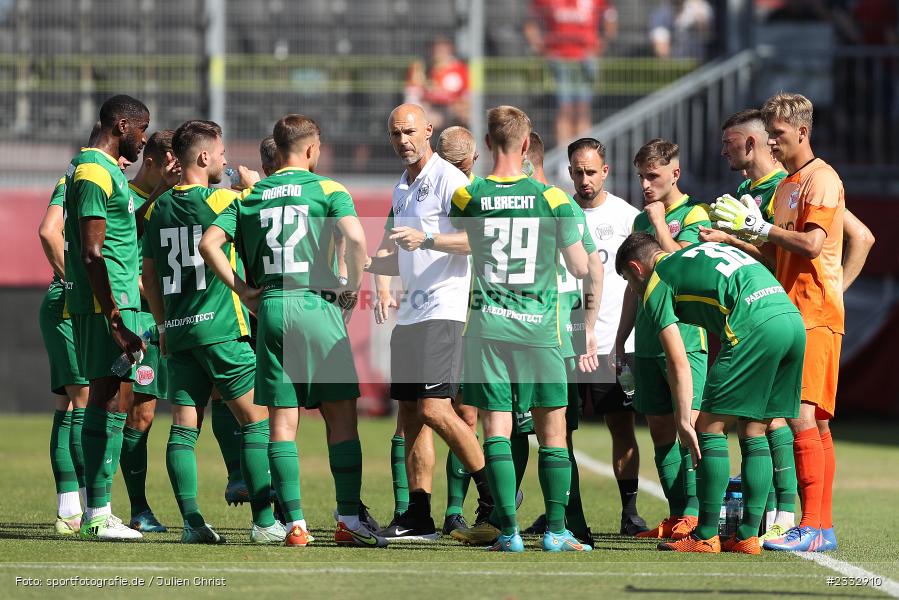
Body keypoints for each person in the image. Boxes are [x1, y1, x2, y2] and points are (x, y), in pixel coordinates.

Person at [200, 114, 387, 548]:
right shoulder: (328, 189)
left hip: (271, 309)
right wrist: (348, 289)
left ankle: (296, 525)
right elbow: (356, 240)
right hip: (315, 303)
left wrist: (244, 290)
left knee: (282, 424)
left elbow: (209, 243)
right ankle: (348, 520)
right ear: (308, 150)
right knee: (340, 419)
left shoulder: (248, 197)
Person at [715, 108, 875, 542]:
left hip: (814, 314)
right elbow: (781, 257)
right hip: (791, 313)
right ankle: (815, 524)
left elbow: (812, 245)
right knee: (813, 422)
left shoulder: (820, 177)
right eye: (767, 134)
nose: (771, 142)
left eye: (777, 134)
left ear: (802, 132)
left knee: (803, 418)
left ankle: (813, 525)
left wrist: (760, 227)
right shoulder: (787, 184)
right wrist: (743, 238)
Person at [448, 105, 602, 552]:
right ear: (526, 143)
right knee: (552, 432)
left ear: (489, 144)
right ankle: (556, 531)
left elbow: (462, 239)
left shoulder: (469, 193)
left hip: (487, 326)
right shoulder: (552, 199)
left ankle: (509, 532)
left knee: (496, 428)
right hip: (540, 329)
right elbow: (578, 265)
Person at [615, 233, 806, 554]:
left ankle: (704, 534)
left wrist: (683, 418)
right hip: (791, 320)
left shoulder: (656, 281)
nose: (632, 289)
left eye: (628, 280)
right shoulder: (696, 252)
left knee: (708, 427)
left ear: (636, 268)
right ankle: (746, 535)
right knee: (754, 426)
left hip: (754, 326)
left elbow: (677, 360)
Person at [141, 120, 280, 545]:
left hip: (179, 332)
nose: (225, 160)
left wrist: (164, 327)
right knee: (256, 421)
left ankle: (192, 523)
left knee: (183, 427)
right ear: (203, 158)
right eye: (220, 153)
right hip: (221, 328)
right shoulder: (222, 198)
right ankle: (263, 523)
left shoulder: (155, 208)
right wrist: (256, 183)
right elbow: (267, 205)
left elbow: (148, 275)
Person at [367, 104, 495, 541]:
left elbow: (480, 239)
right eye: (395, 133)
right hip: (412, 313)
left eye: (409, 131)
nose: (403, 140)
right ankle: (418, 514)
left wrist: (430, 239)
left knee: (435, 408)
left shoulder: (451, 180)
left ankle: (493, 497)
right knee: (410, 418)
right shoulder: (402, 187)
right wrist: (363, 267)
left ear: (428, 130)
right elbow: (396, 254)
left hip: (444, 308)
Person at [63, 95, 150, 542]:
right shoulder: (96, 170)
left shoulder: (99, 169)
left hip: (105, 301)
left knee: (107, 398)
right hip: (106, 304)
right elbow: (92, 250)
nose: (144, 138)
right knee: (105, 399)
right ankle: (96, 512)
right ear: (121, 125)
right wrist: (115, 318)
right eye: (142, 129)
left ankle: (98, 509)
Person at [614, 138, 710, 541]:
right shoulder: (641, 221)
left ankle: (695, 514)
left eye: (653, 176)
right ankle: (676, 515)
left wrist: (657, 223)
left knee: (692, 428)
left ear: (675, 173)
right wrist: (621, 339)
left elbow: (681, 265)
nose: (646, 185)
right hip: (650, 343)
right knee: (659, 431)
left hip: (686, 338)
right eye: (641, 177)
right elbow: (632, 286)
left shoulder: (695, 213)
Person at [511, 132, 603, 546]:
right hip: (561, 334)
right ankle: (569, 522)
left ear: (524, 159)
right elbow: (591, 270)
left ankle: (505, 521)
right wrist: (587, 327)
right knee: (556, 434)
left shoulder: (524, 203)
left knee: (511, 429)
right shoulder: (565, 205)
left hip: (528, 332)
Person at [566, 137, 649, 536]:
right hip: (563, 341)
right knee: (556, 430)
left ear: (605, 171)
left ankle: (630, 512)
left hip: (613, 343)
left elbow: (639, 280)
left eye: (591, 171)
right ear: (570, 173)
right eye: (578, 172)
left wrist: (621, 339)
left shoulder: (628, 218)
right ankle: (563, 511)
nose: (584, 179)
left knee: (621, 425)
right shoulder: (558, 214)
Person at [114, 129, 178, 533]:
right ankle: (126, 506)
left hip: (161, 320)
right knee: (133, 412)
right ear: (152, 162)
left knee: (149, 413)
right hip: (133, 318)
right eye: (171, 165)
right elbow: (124, 259)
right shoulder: (125, 196)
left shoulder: (172, 202)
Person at [433, 124, 484, 533]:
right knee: (456, 414)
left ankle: (489, 504)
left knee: (482, 416)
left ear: (474, 161)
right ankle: (452, 510)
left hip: (487, 315)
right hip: (447, 314)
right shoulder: (430, 189)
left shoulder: (482, 196)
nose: (453, 171)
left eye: (459, 164)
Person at [38, 175, 89, 535]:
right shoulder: (78, 180)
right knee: (84, 403)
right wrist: (73, 282)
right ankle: (93, 509)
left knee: (67, 406)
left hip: (65, 304)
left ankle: (70, 510)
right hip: (69, 306)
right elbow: (47, 231)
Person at [524, 0, 618, 144]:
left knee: (583, 111)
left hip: (586, 59)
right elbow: (531, 21)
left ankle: (583, 155)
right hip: (559, 59)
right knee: (565, 111)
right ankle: (565, 161)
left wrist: (602, 44)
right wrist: (540, 47)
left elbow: (610, 17)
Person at [405, 36, 470, 130]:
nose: (439, 52)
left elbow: (467, 96)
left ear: (450, 49)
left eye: (443, 49)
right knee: (420, 120)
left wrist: (459, 106)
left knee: (466, 115)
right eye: (437, 49)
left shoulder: (460, 69)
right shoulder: (420, 67)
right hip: (429, 108)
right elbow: (411, 96)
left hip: (452, 109)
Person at [648, 0, 714, 60]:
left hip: (702, 64)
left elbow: (706, 32)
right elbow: (662, 50)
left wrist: (698, 15)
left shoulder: (698, 7)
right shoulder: (660, 15)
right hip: (676, 64)